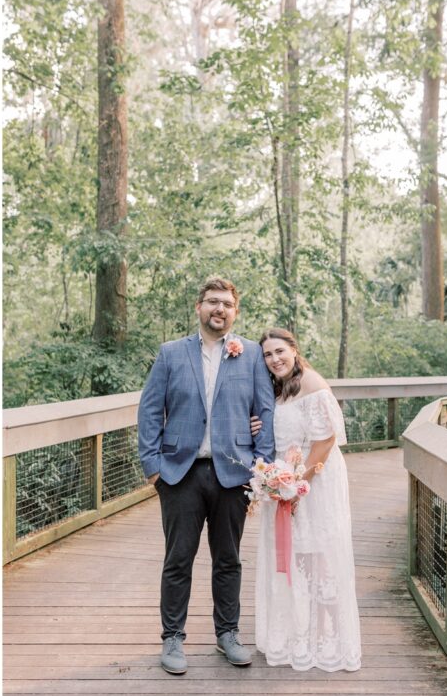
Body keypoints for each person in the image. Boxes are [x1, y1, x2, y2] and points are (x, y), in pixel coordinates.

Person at [137, 277, 275, 675]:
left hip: (235, 474)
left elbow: (265, 413)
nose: (220, 309)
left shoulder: (250, 354)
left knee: (228, 560)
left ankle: (228, 634)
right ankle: (173, 638)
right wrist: (153, 468)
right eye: (212, 301)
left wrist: (261, 467)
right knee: (178, 558)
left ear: (235, 311)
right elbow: (149, 411)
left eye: (227, 304)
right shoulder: (170, 353)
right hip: (180, 473)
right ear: (198, 306)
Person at [255, 328, 362, 672]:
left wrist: (299, 484)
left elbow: (325, 442)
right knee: (298, 557)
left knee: (319, 556)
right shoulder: (280, 388)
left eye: (280, 351)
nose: (274, 359)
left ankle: (328, 636)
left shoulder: (312, 384)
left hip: (315, 481)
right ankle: (301, 632)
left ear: (294, 350)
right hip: (288, 479)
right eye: (268, 355)